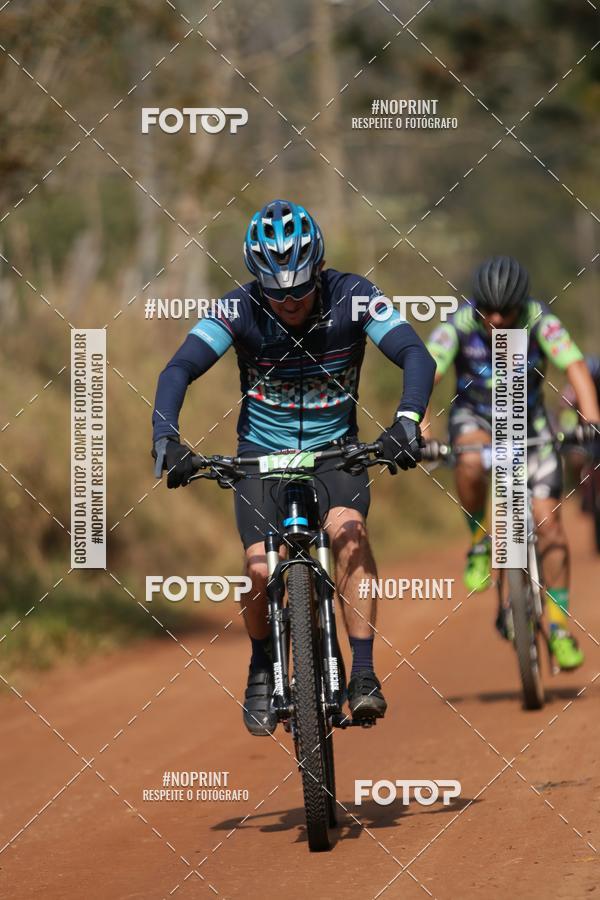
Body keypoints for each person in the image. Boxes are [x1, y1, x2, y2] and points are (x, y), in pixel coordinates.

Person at [152, 199, 436, 734]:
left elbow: (415, 355)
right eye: (275, 291)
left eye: (300, 289)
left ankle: (364, 672)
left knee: (349, 533)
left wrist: (406, 421)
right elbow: (180, 368)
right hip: (261, 456)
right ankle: (262, 663)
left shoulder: (355, 296)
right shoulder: (238, 309)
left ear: (320, 269)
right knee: (260, 568)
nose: (288, 302)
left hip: (336, 453)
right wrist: (166, 435)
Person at [424, 256, 600, 671]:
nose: (498, 319)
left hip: (529, 426)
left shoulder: (540, 320)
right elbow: (426, 371)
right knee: (469, 461)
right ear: (477, 305)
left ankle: (557, 625)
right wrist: (422, 427)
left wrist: (591, 420)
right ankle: (479, 542)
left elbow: (574, 365)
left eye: (507, 311)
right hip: (476, 420)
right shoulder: (459, 323)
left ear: (522, 305)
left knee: (549, 525)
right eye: (489, 310)